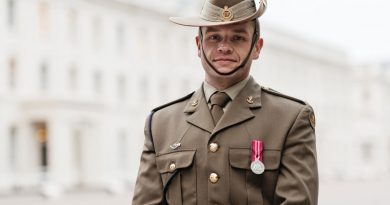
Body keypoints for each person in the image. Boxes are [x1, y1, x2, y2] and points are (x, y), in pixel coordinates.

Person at [132, 0, 318, 204]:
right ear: (198, 46)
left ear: (257, 47)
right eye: (214, 37)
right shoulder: (161, 123)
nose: (224, 47)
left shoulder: (289, 119)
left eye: (237, 38)